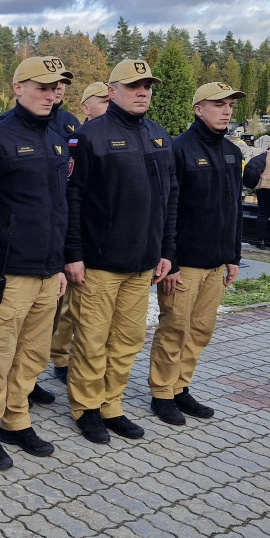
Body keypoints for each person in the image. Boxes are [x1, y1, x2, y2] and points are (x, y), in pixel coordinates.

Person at [64, 58, 177, 444]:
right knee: (93, 340)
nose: (142, 92)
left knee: (127, 339)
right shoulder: (90, 136)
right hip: (99, 262)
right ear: (112, 92)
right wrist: (73, 253)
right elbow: (73, 197)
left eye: (147, 86)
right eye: (133, 86)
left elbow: (169, 199)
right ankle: (87, 408)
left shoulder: (158, 135)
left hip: (143, 261)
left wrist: (166, 250)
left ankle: (112, 405)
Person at [0, 57, 69, 470]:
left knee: (33, 354)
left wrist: (60, 264)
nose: (51, 94)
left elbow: (59, 208)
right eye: (42, 87)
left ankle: (16, 418)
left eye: (55, 87)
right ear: (18, 87)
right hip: (9, 271)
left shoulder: (58, 139)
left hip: (47, 269)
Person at [148, 82, 244, 426]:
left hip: (216, 261)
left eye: (230, 104)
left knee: (201, 329)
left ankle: (180, 387)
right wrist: (169, 260)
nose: (227, 110)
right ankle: (161, 393)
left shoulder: (232, 152)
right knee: (174, 328)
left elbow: (235, 209)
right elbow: (167, 209)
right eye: (218, 104)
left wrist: (233, 256)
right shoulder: (179, 150)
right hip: (184, 263)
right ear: (198, 109)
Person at [50, 81, 111, 383]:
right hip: (71, 231)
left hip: (99, 237)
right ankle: (60, 356)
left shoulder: (72, 124)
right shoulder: (77, 134)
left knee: (83, 308)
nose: (109, 106)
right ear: (87, 107)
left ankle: (74, 355)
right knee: (66, 306)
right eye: (103, 101)